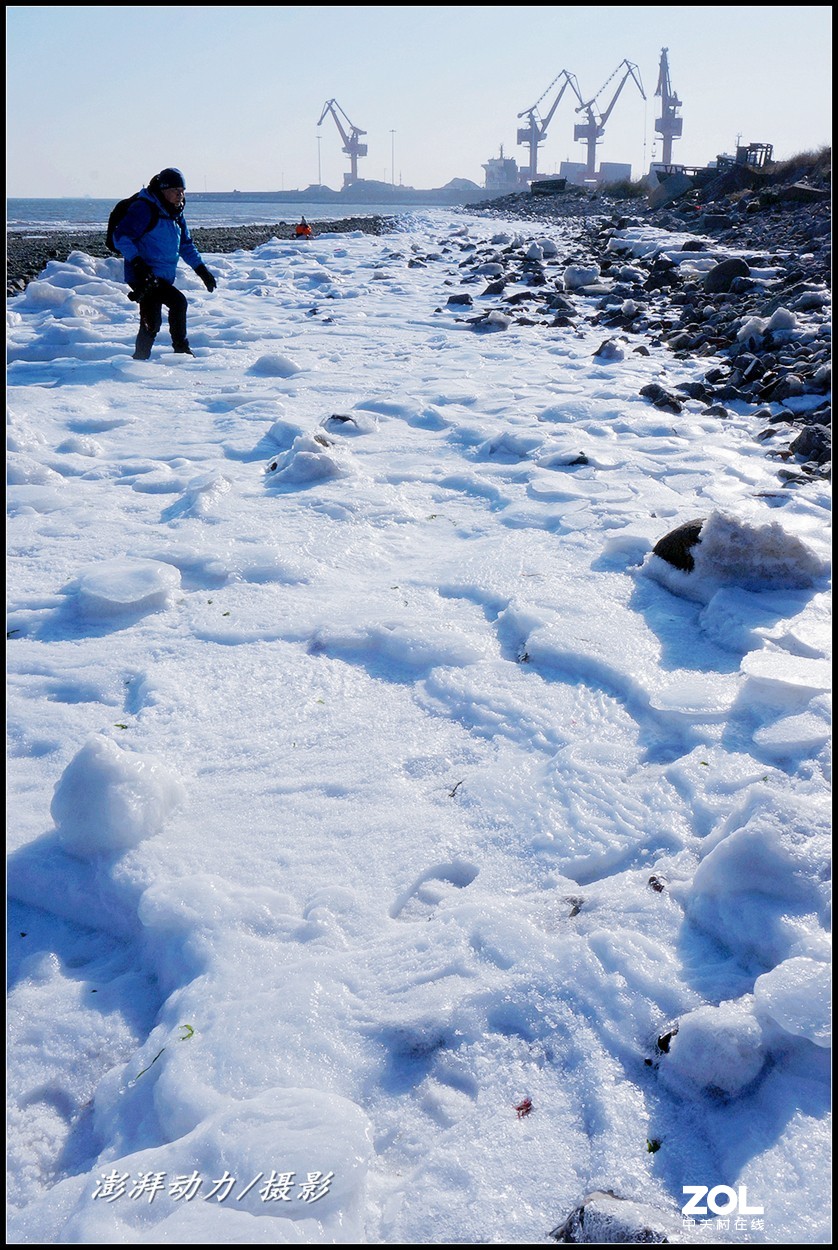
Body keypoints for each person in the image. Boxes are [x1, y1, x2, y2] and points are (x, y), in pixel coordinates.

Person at [113, 167, 217, 360]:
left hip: (163, 275)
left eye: (182, 190)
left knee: (151, 322)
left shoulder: (176, 213)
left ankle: (140, 358)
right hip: (143, 275)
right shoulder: (145, 209)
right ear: (163, 190)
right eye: (175, 190)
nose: (180, 195)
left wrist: (202, 270)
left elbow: (185, 245)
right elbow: (120, 236)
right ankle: (181, 351)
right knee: (178, 302)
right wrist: (137, 263)